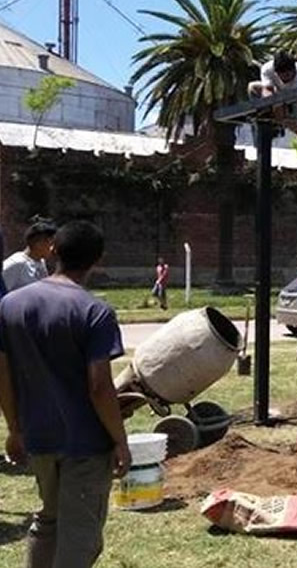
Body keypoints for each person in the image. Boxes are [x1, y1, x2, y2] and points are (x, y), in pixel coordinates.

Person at [0, 221, 129, 568]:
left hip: (38, 437)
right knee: (80, 538)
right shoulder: (94, 311)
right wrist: (120, 440)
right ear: (98, 259)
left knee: (49, 521)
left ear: (53, 248)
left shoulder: (10, 305)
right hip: (85, 445)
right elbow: (100, 387)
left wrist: (14, 428)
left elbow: (4, 375)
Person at [248, 50, 297, 163]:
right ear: (276, 71)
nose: (284, 79)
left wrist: (280, 111)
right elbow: (267, 90)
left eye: (288, 76)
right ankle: (268, 115)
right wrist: (269, 103)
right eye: (281, 76)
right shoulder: (267, 68)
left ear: (294, 69)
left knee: (287, 119)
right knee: (252, 86)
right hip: (281, 97)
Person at [3, 217, 57, 292]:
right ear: (38, 243)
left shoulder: (41, 262)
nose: (52, 248)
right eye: (50, 244)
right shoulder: (17, 264)